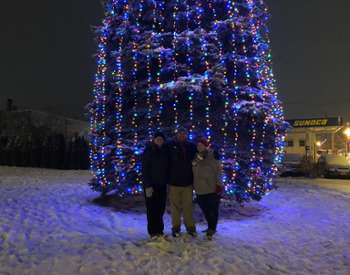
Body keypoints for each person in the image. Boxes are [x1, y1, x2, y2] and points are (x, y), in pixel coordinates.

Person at [192, 137, 223, 240]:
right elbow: (193, 169)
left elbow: (218, 171)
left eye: (201, 145)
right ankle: (210, 226)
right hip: (199, 189)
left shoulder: (213, 155)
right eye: (198, 145)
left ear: (206, 146)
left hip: (211, 188)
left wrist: (219, 185)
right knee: (205, 209)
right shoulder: (196, 157)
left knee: (212, 209)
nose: (199, 147)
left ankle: (212, 228)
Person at [168, 127, 197, 237]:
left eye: (184, 133)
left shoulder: (191, 147)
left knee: (188, 206)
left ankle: (190, 227)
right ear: (176, 134)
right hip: (174, 182)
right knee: (175, 207)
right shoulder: (170, 146)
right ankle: (176, 228)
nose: (182, 135)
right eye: (180, 133)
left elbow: (197, 160)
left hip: (187, 182)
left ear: (186, 135)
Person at [142, 132, 170, 240]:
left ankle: (159, 231)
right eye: (157, 139)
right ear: (154, 140)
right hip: (150, 185)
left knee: (160, 209)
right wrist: (148, 185)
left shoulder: (165, 152)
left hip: (162, 185)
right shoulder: (148, 151)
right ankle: (152, 231)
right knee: (151, 209)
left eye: (161, 139)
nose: (159, 141)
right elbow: (145, 169)